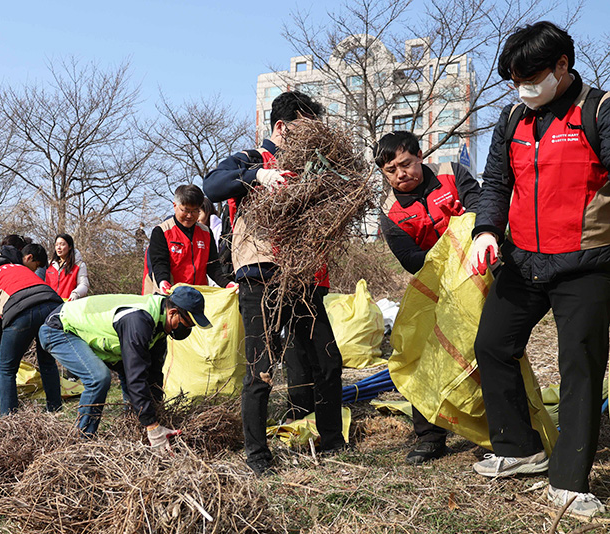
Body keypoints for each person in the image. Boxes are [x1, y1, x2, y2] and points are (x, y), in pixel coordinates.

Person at [468, 21, 610, 517]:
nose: (522, 90)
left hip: (586, 262)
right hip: (523, 258)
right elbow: (495, 182)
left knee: (579, 366)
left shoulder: (598, 110)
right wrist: (486, 230)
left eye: (530, 79)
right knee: (492, 345)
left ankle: (568, 484)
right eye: (515, 81)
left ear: (561, 66)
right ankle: (519, 449)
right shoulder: (512, 119)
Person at [204, 90, 345, 475]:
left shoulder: (310, 169)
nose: (312, 137)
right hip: (261, 277)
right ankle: (258, 455)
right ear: (282, 127)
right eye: (305, 129)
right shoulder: (252, 159)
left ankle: (333, 442)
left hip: (304, 278)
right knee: (261, 367)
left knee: (328, 360)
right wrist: (258, 176)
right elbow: (212, 186)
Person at [374, 130, 480, 464]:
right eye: (391, 170)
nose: (401, 174)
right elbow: (409, 259)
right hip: (431, 287)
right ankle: (430, 437)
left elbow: (481, 210)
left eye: (406, 164)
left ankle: (500, 431)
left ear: (420, 155)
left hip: (477, 278)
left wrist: (465, 234)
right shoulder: (389, 209)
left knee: (487, 350)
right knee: (422, 353)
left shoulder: (452, 173)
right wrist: (449, 252)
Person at [38, 286, 210, 446]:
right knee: (98, 378)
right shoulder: (139, 321)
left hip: (86, 334)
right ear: (172, 312)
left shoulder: (160, 325)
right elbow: (136, 375)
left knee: (135, 378)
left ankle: (135, 431)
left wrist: (157, 415)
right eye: (187, 324)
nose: (187, 330)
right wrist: (152, 425)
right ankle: (81, 442)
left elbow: (153, 374)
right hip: (59, 329)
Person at [0, 253, 64, 415]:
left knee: (7, 369)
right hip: (52, 306)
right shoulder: (19, 267)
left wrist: (5, 347)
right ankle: (54, 409)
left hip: (20, 314)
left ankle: (8, 417)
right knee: (47, 362)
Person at [142, 184, 232, 295]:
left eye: (195, 211)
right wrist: (163, 281)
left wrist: (227, 283)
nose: (189, 216)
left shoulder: (206, 232)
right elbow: (159, 263)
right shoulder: (161, 231)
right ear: (175, 206)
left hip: (198, 297)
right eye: (185, 210)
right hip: (170, 295)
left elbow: (213, 266)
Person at [45, 234, 89, 301]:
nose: (58, 247)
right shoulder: (49, 265)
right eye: (56, 245)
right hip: (50, 303)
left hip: (69, 304)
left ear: (70, 247)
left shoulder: (79, 265)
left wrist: (76, 293)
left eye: (62, 244)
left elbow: (84, 285)